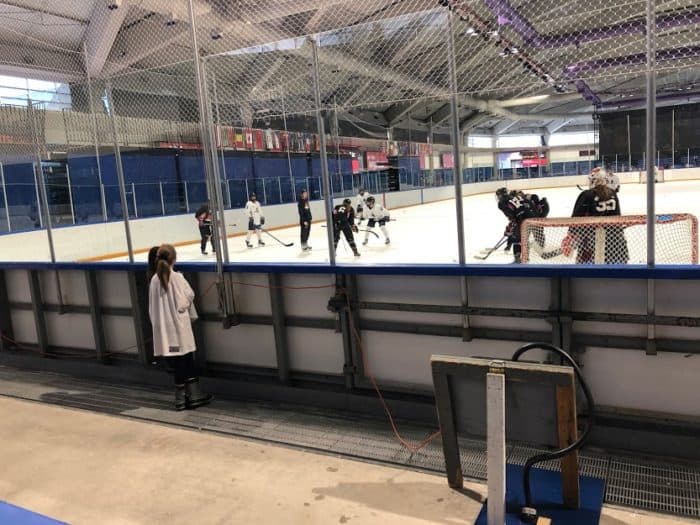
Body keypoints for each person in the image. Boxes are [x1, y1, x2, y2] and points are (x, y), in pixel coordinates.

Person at [148, 244, 212, 411]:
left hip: (166, 333)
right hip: (179, 330)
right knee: (186, 360)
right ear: (173, 259)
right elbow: (187, 297)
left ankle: (181, 397)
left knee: (177, 361)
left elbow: (152, 308)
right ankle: (193, 395)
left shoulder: (154, 280)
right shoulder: (177, 277)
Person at [562, 169, 628, 264]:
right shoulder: (612, 193)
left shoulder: (586, 195)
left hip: (591, 242)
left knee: (588, 273)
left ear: (593, 180)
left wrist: (570, 236)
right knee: (616, 271)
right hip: (616, 242)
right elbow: (618, 218)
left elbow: (576, 219)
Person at [496, 187, 545, 263]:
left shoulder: (501, 203)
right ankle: (526, 257)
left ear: (500, 196)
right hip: (532, 215)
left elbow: (511, 215)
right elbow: (529, 202)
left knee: (516, 238)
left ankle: (517, 259)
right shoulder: (516, 197)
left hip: (522, 218)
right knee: (524, 238)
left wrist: (512, 224)